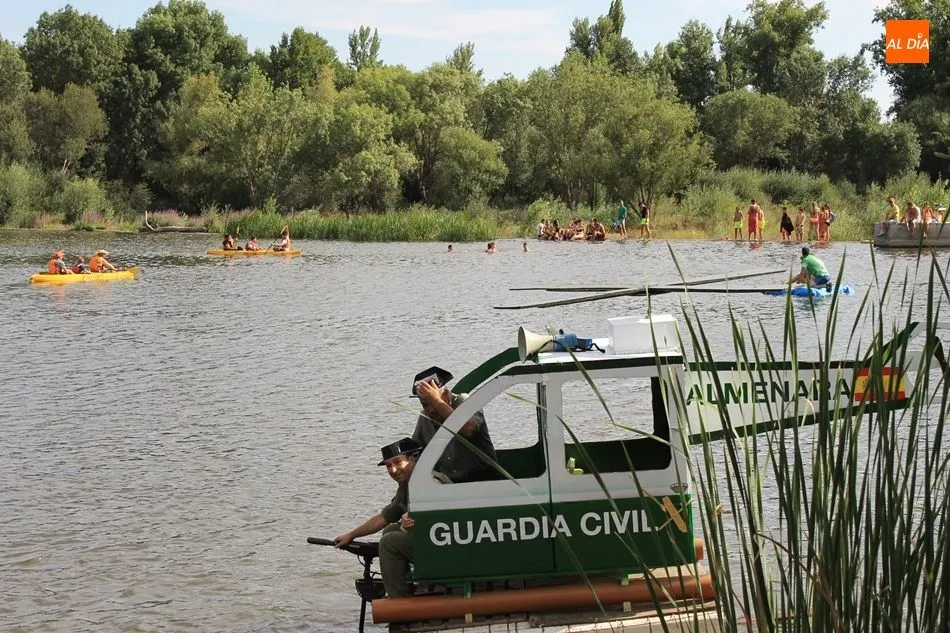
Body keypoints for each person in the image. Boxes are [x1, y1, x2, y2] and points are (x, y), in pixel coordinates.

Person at [334, 437, 422, 599]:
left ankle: (399, 599)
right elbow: (384, 517)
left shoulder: (429, 480)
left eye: (397, 462)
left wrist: (415, 517)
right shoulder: (406, 486)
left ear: (412, 460)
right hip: (430, 543)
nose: (393, 470)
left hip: (442, 547)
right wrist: (351, 536)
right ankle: (403, 587)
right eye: (388, 466)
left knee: (390, 542)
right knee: (390, 530)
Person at [411, 366, 497, 484]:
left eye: (432, 402)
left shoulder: (464, 401)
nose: (430, 409)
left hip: (483, 481)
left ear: (446, 394)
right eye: (425, 404)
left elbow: (468, 429)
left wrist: (437, 401)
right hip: (449, 484)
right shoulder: (425, 418)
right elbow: (414, 453)